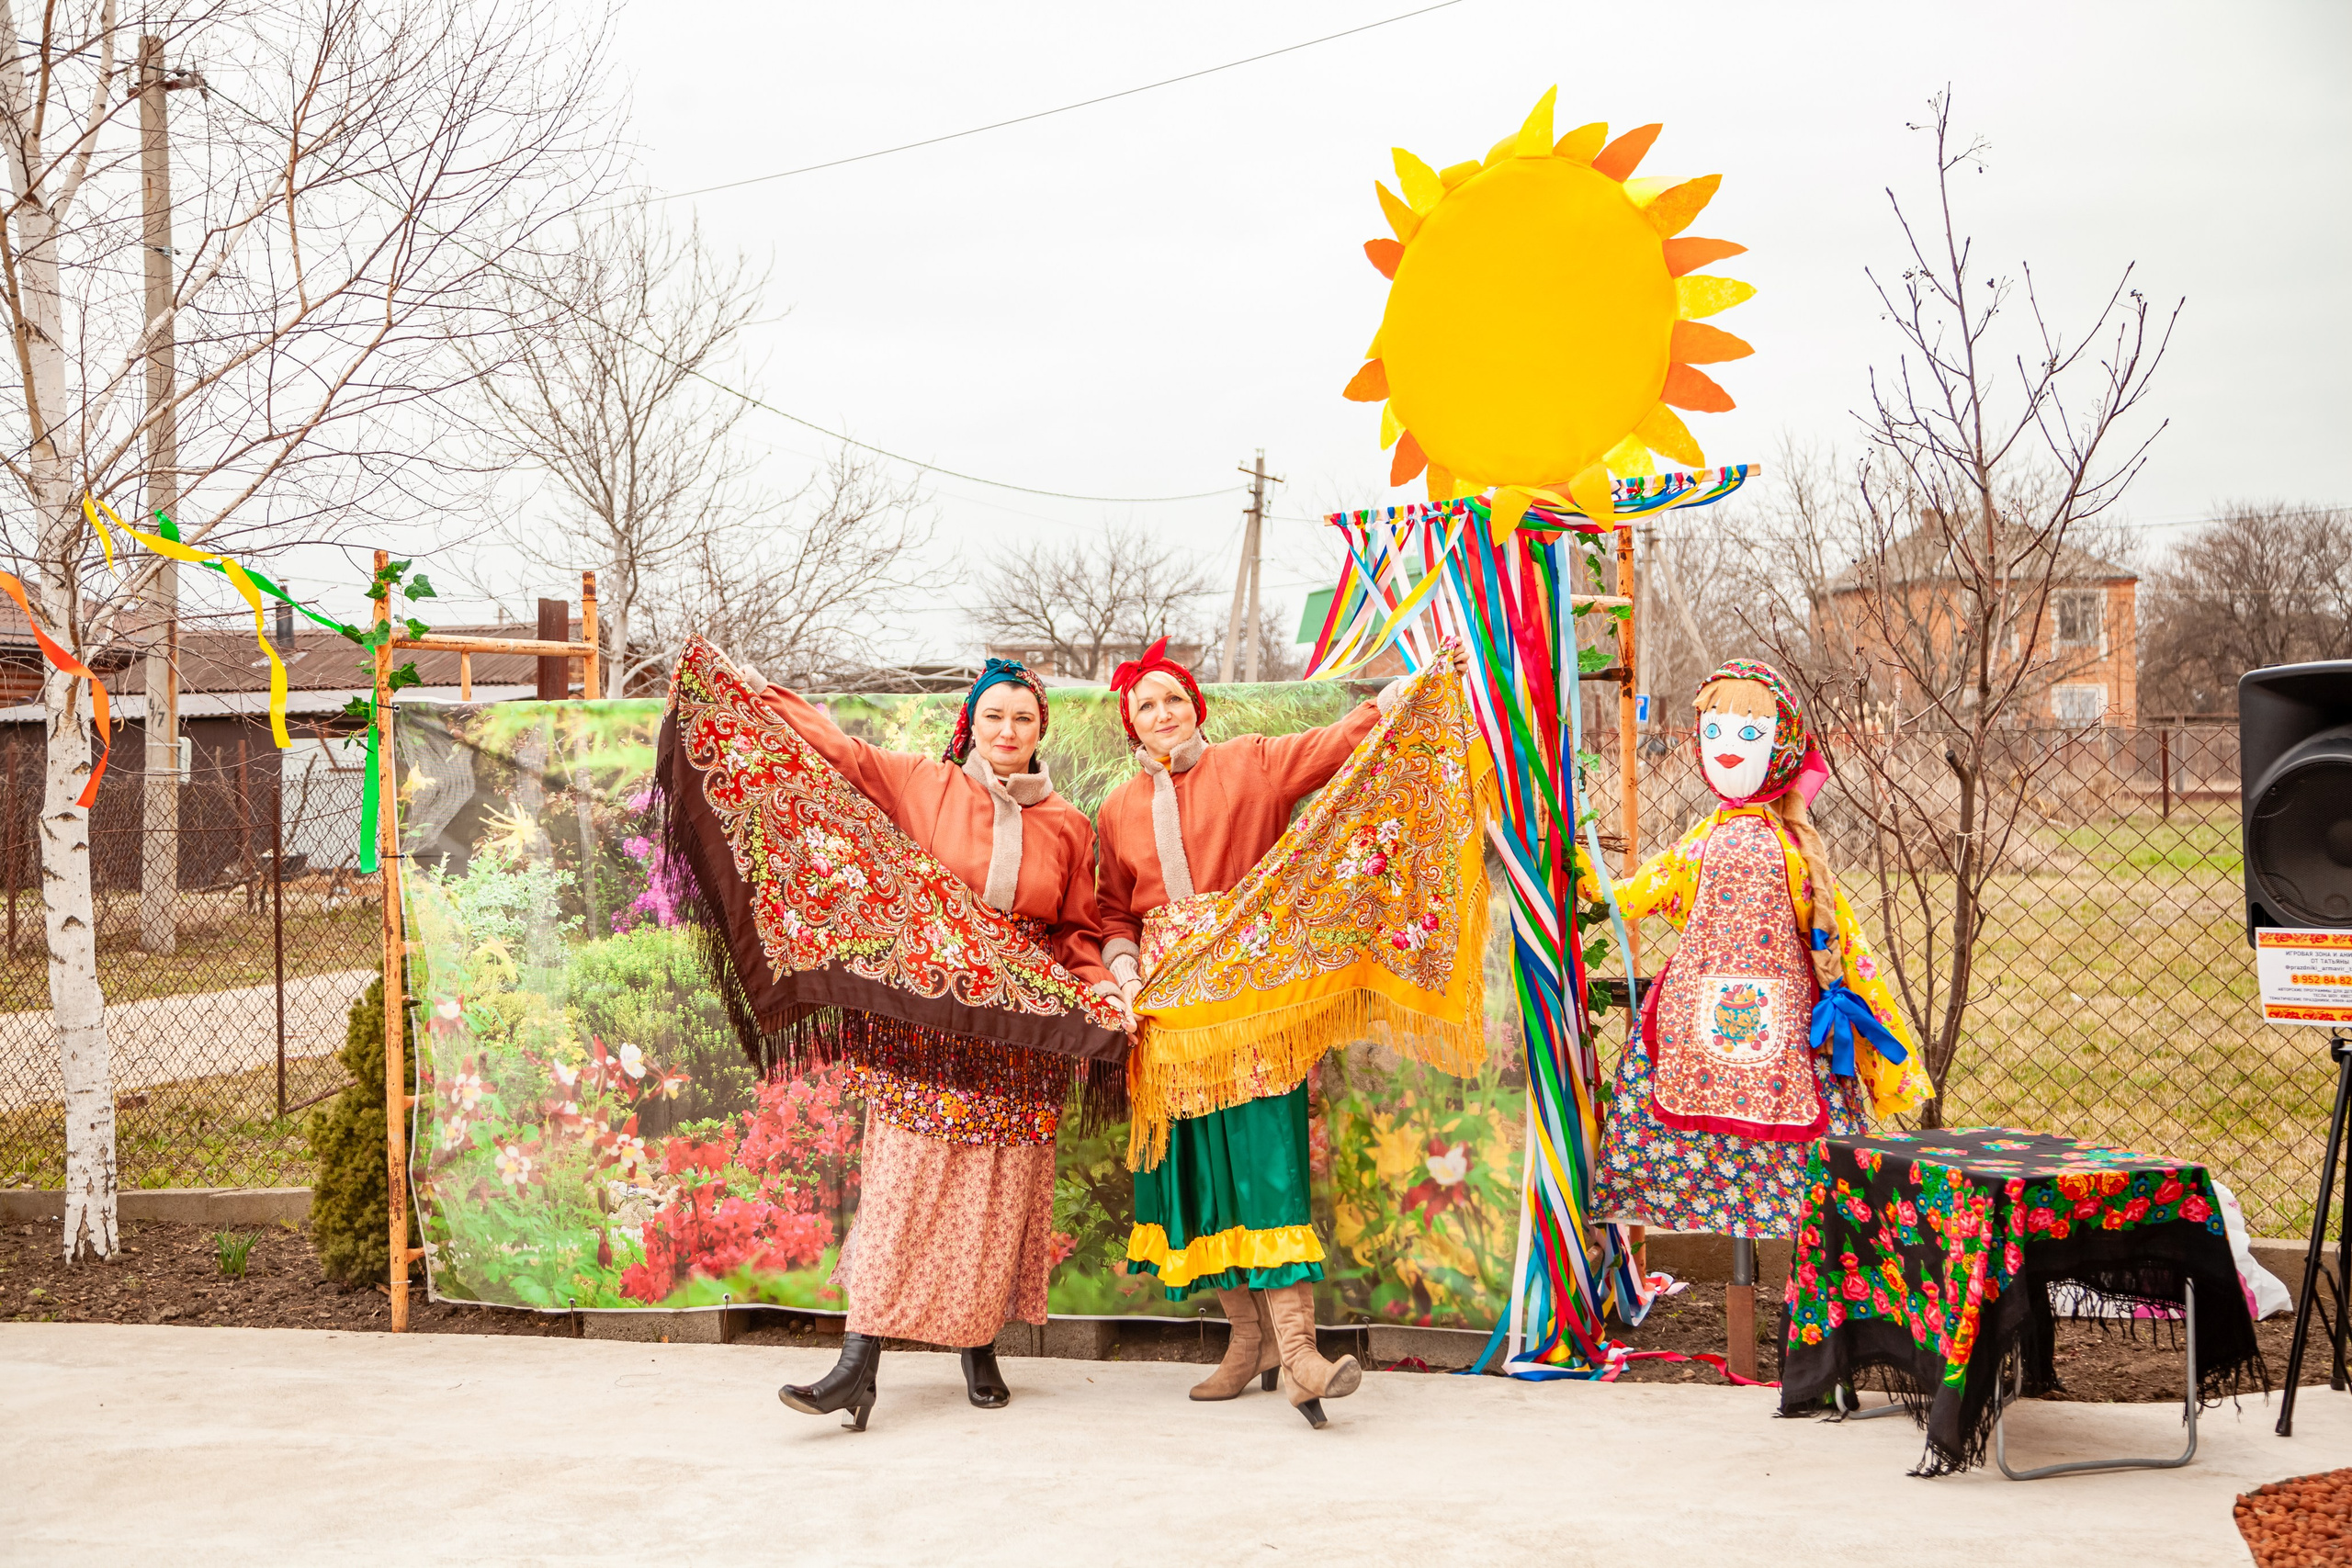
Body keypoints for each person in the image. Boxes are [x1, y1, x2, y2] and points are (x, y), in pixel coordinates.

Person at [1095, 637, 1465, 1427]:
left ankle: (1298, 1351)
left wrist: (1407, 692)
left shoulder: (1253, 762)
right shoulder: (1117, 809)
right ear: (1131, 724)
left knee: (1266, 1166)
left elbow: (1339, 745)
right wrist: (1125, 979)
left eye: (1173, 697)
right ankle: (1247, 1344)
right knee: (1199, 1174)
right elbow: (1114, 912)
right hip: (1173, 1017)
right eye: (1145, 705)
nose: (1163, 713)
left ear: (1198, 703)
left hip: (1258, 1003)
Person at [749, 658, 1123, 1429]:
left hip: (1019, 1036)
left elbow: (1076, 931)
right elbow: (842, 753)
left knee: (995, 1196)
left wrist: (1105, 987)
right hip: (926, 1021)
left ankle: (978, 1344)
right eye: (995, 717)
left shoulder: (1069, 824)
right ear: (972, 723)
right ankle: (858, 1365)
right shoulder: (926, 783)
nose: (1008, 731)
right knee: (902, 1190)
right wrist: (761, 692)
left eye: (1023, 718)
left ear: (1039, 729)